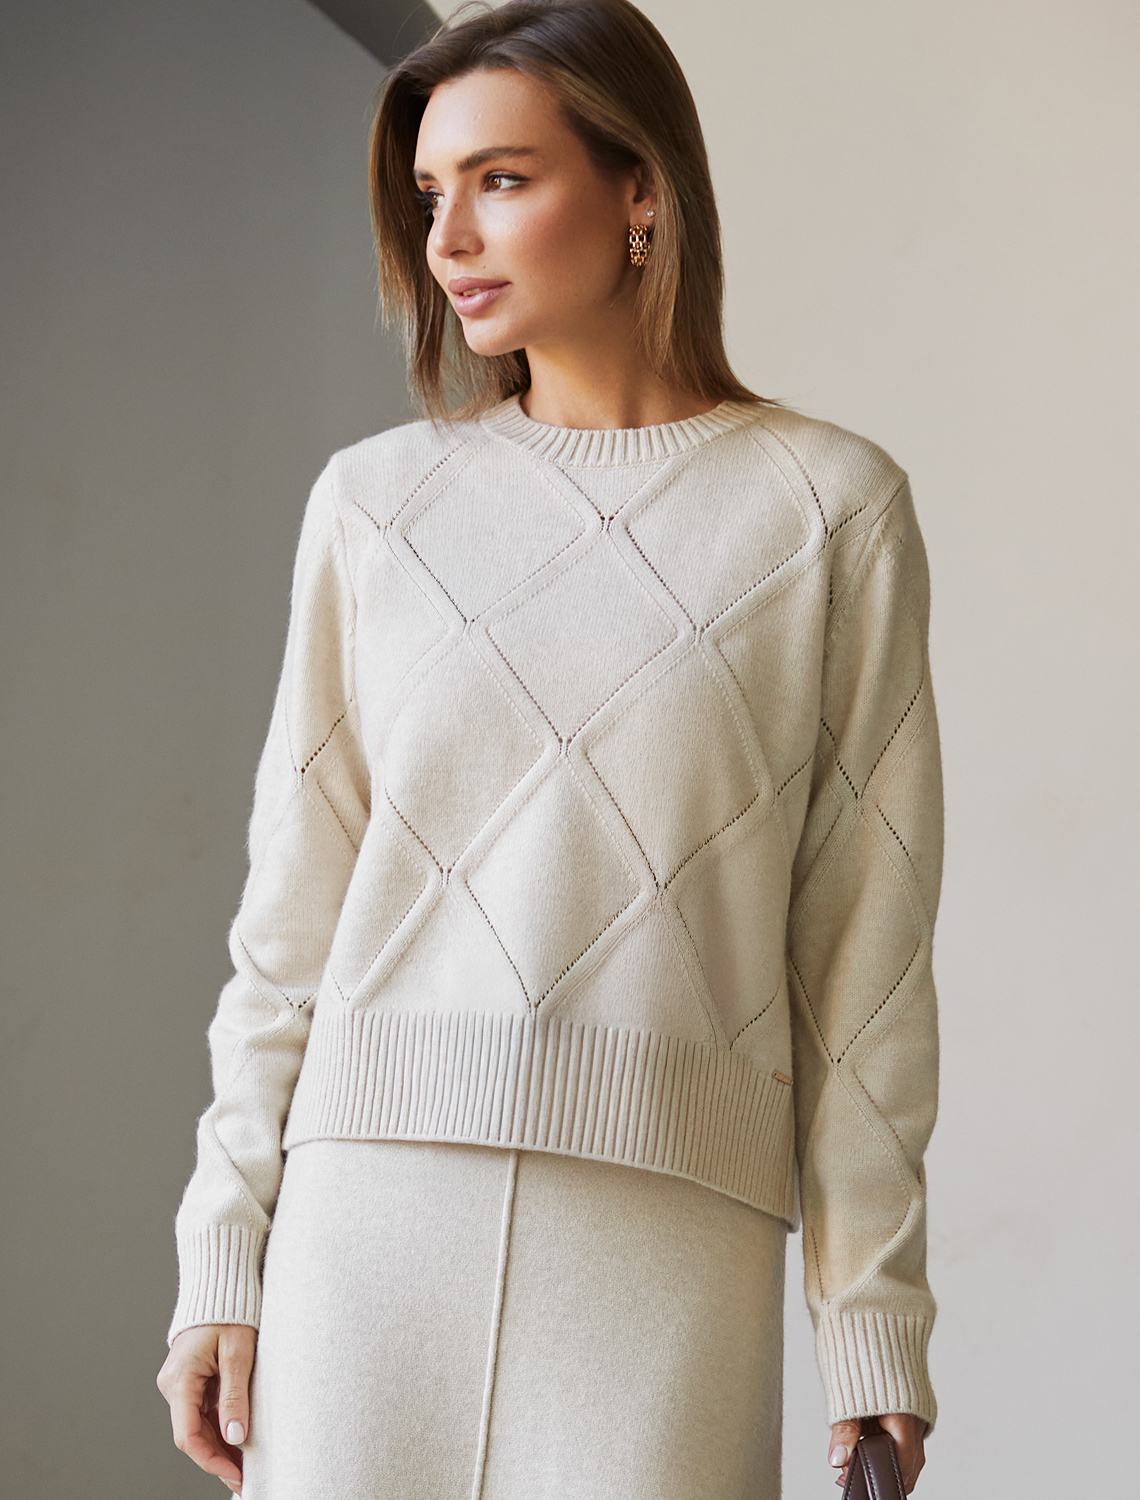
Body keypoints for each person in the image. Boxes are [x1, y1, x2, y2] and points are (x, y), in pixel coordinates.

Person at [156, 1, 943, 1495]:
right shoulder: (375, 505)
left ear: (641, 190)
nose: (449, 238)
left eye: (502, 180)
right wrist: (223, 1256)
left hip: (669, 1235)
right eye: (430, 194)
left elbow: (867, 954)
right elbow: (291, 917)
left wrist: (873, 1325)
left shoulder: (830, 509)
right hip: (363, 1227)